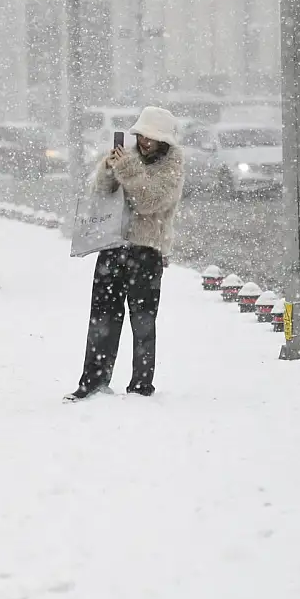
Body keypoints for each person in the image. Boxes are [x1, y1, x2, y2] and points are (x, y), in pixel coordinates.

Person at [66, 106, 184, 401]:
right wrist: (108, 169)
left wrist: (127, 168)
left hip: (146, 251)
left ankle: (141, 386)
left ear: (165, 141)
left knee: (142, 322)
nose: (144, 142)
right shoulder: (127, 156)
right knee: (102, 317)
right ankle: (93, 381)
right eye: (141, 135)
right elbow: (100, 192)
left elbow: (149, 201)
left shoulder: (172, 167)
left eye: (151, 138)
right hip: (113, 245)